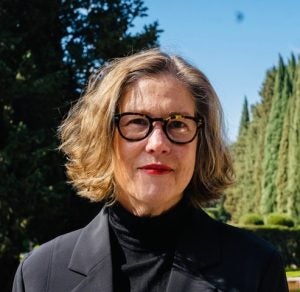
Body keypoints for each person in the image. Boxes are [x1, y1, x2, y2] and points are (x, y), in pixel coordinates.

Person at [12, 49, 288, 292]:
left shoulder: (256, 267)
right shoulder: (40, 274)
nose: (157, 144)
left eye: (178, 124)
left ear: (201, 144)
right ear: (103, 137)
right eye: (136, 122)